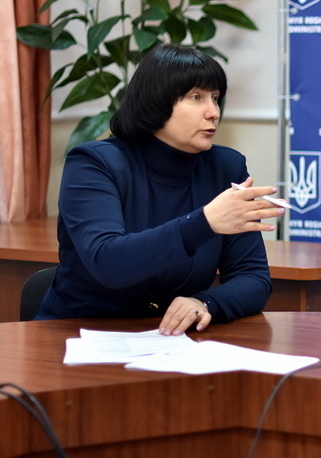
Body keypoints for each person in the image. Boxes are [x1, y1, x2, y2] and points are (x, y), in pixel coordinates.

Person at [36, 44, 282, 336]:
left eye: (215, 98)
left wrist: (206, 302)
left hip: (170, 341)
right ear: (156, 102)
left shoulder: (225, 167)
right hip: (77, 336)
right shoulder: (94, 164)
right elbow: (108, 262)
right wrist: (205, 222)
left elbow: (253, 277)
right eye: (196, 97)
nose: (213, 112)